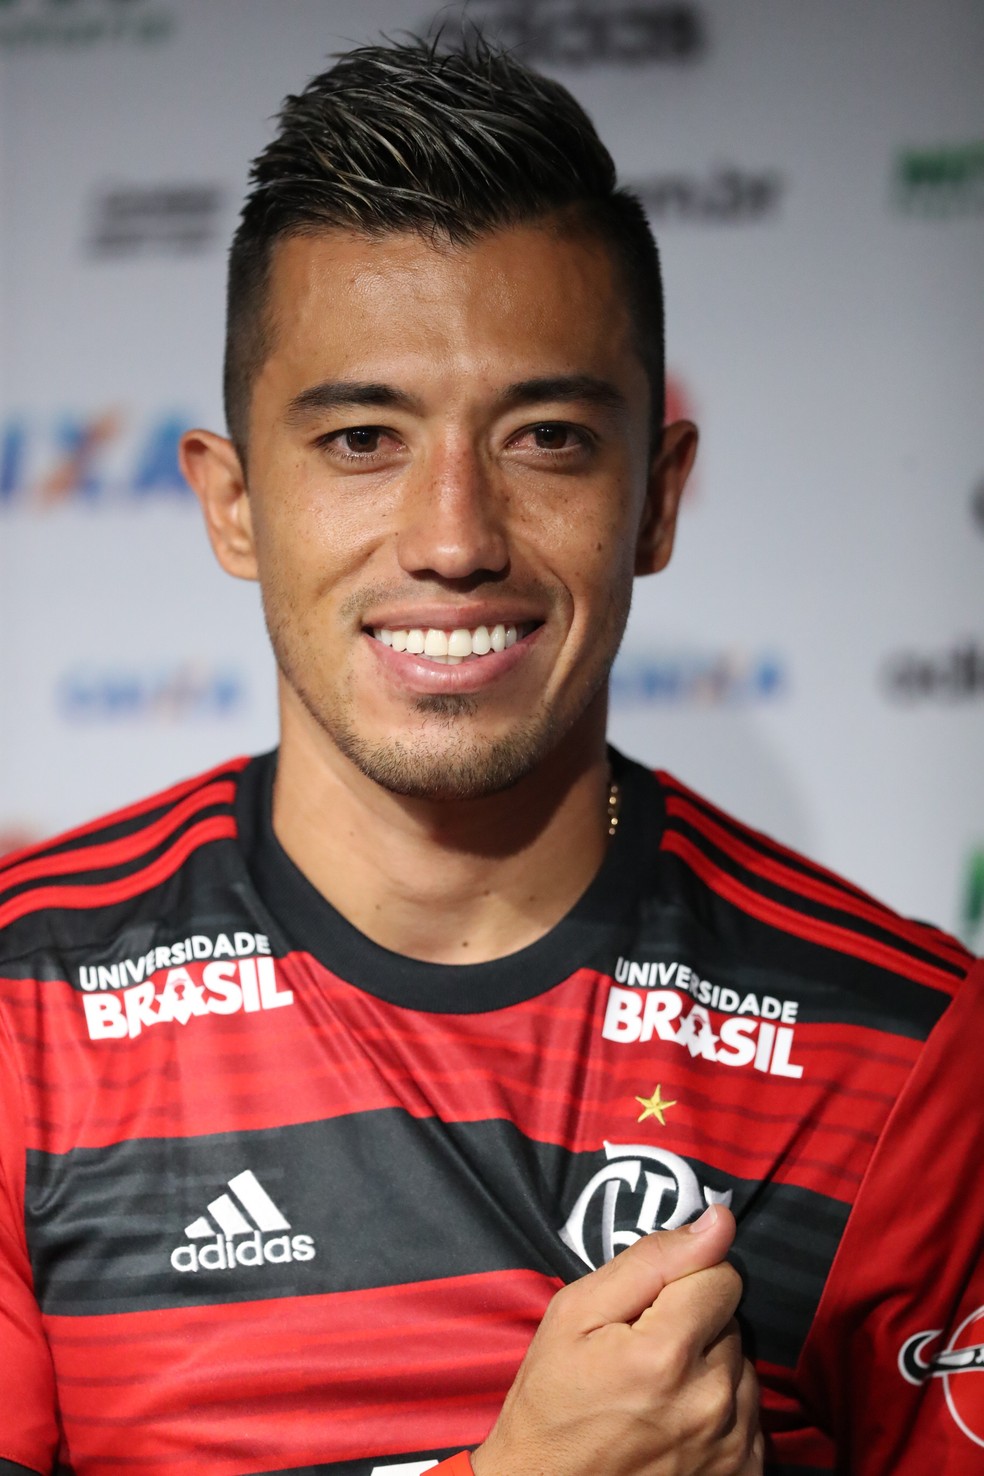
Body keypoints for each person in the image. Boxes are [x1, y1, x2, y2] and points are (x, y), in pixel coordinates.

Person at [0, 35, 980, 1476]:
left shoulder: (901, 1055)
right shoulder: (24, 1018)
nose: (455, 538)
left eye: (545, 438)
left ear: (657, 497)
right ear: (232, 505)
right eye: (358, 440)